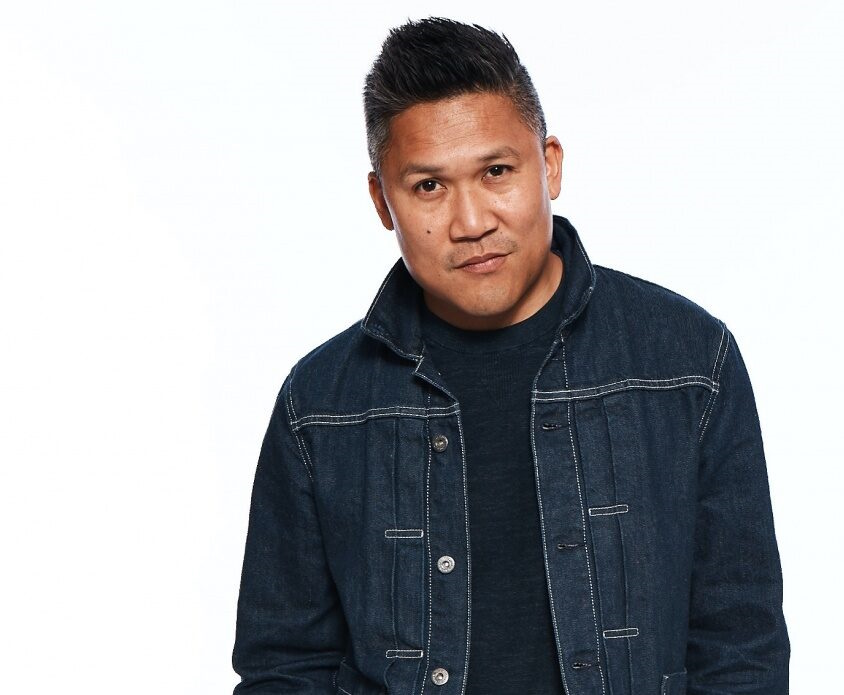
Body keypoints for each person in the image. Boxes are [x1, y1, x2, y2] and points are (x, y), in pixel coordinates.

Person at [232, 17, 790, 695]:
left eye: (496, 172)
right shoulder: (321, 404)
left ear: (549, 165)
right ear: (383, 200)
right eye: (429, 187)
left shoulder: (688, 363)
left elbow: (741, 648)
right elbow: (284, 666)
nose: (471, 223)